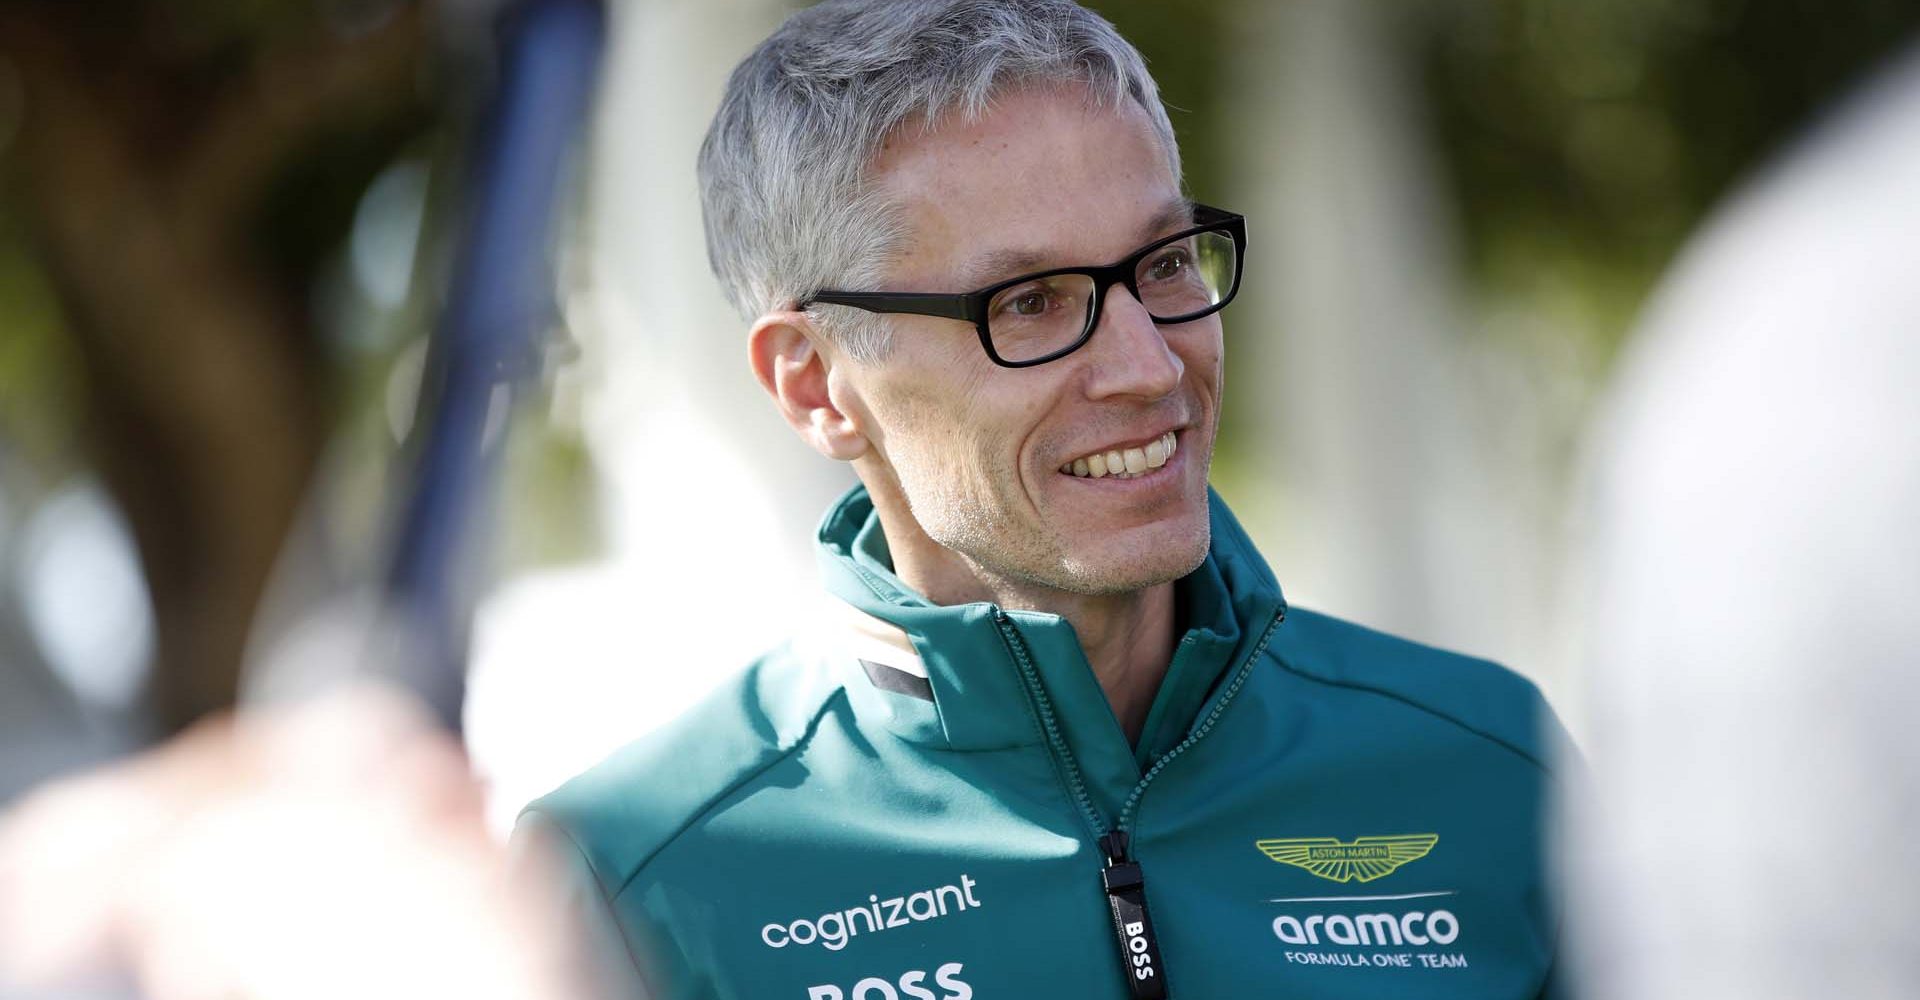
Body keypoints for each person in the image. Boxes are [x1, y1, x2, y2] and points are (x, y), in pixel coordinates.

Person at [514, 2, 1574, 997]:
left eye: (1163, 264)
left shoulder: (1494, 766)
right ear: (817, 385)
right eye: (1027, 302)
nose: (1148, 367)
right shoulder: (626, 885)